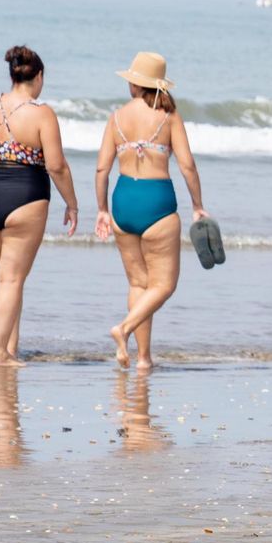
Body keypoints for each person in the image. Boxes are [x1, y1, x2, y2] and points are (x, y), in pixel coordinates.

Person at [94, 52, 209, 370]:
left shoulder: (116, 118)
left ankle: (142, 358)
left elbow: (102, 169)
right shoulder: (169, 117)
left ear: (136, 84)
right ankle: (125, 329)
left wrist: (102, 209)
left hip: (122, 201)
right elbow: (187, 165)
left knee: (138, 284)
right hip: (156, 202)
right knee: (164, 285)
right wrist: (198, 206)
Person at [0, 46, 80, 366]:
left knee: (7, 277)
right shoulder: (42, 113)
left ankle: (9, 348)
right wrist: (72, 204)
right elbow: (57, 166)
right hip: (24, 197)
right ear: (40, 76)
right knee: (11, 279)